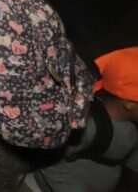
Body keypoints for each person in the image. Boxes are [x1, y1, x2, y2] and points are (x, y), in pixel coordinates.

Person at [19, 47, 138, 192]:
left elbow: (128, 151)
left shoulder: (129, 127)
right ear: (129, 104)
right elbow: (46, 158)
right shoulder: (87, 127)